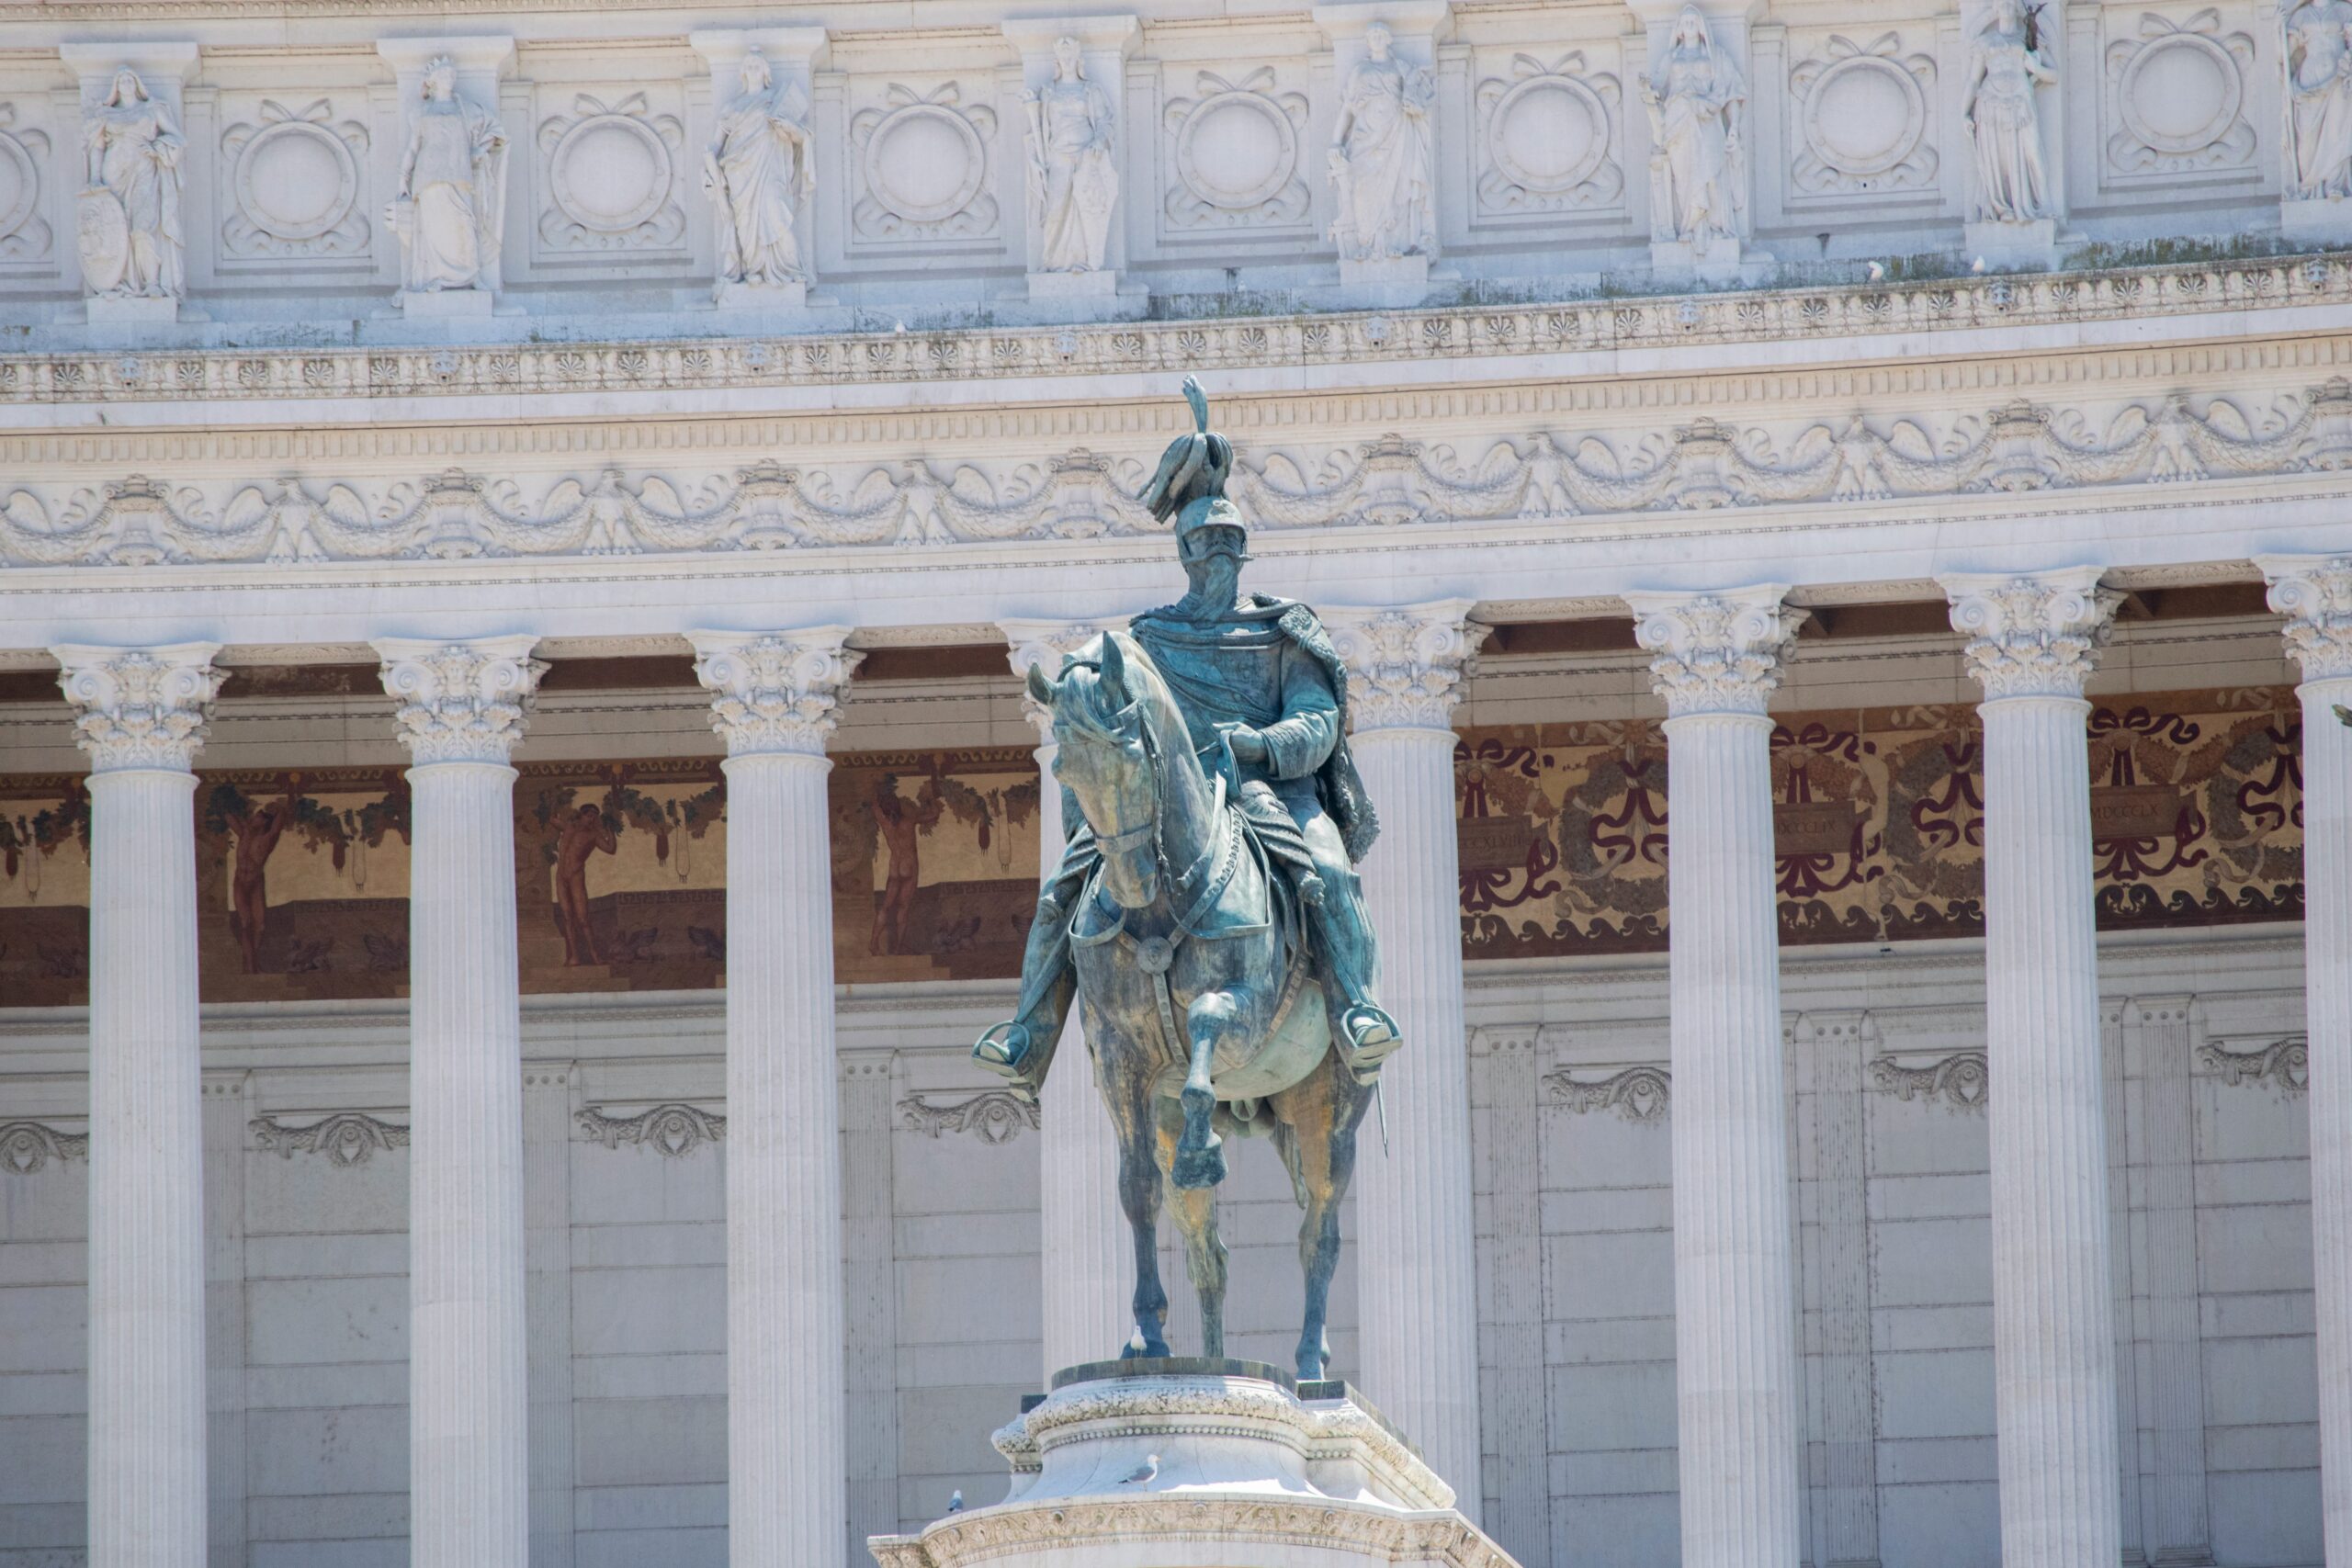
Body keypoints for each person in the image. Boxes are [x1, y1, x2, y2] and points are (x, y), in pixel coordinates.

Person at [976, 379, 1400, 1096]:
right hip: (1161, 799)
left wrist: (1259, 746)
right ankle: (1028, 1031)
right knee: (1058, 895)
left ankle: (1357, 1007)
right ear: (1183, 554)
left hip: (1264, 789)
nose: (1217, 563)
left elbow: (1318, 722)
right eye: (1204, 550)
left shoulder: (1279, 630)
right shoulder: (1150, 641)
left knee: (1326, 870)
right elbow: (1108, 727)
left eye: (1228, 549)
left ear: (1243, 556)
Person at [707, 48, 815, 288]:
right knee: (745, 222)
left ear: (766, 71)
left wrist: (788, 127)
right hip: (740, 172)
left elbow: (800, 137)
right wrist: (708, 163)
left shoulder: (775, 100)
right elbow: (716, 143)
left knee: (777, 212)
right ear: (743, 73)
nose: (753, 69)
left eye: (757, 65)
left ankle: (792, 268)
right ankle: (753, 269)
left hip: (772, 170)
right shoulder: (732, 108)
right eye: (749, 66)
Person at [81, 67, 185, 299]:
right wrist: (95, 179)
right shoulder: (106, 114)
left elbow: (178, 138)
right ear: (115, 88)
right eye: (122, 80)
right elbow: (97, 147)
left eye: (130, 79)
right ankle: (117, 281)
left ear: (137, 84)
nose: (126, 83)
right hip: (114, 172)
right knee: (115, 229)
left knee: (142, 228)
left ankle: (152, 282)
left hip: (144, 170)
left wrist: (157, 148)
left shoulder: (152, 109)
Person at [1962, 0, 2056, 222]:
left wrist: (2036, 68)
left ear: (2017, 7)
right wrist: (1964, 113)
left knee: (2032, 152)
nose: (2005, 5)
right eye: (2000, 3)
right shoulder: (1985, 42)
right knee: (1998, 158)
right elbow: (1974, 81)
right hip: (1990, 105)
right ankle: (2002, 208)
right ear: (1994, 7)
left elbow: (2054, 75)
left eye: (2010, 2)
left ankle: (2044, 206)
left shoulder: (2028, 38)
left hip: (2021, 103)